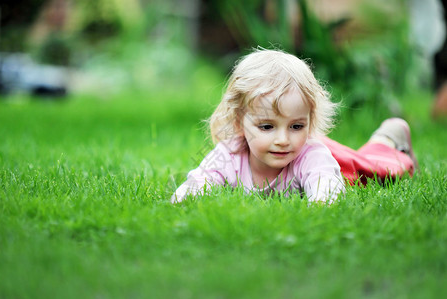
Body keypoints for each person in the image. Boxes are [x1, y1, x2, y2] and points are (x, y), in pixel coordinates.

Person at [171, 49, 417, 203]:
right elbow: (200, 180)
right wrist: (182, 200)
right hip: (307, 146)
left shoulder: (310, 153)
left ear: (309, 121)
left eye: (296, 126)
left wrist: (321, 203)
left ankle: (389, 135)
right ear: (239, 122)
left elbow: (326, 189)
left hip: (332, 161)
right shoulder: (230, 154)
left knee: (374, 170)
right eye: (267, 127)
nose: (282, 139)